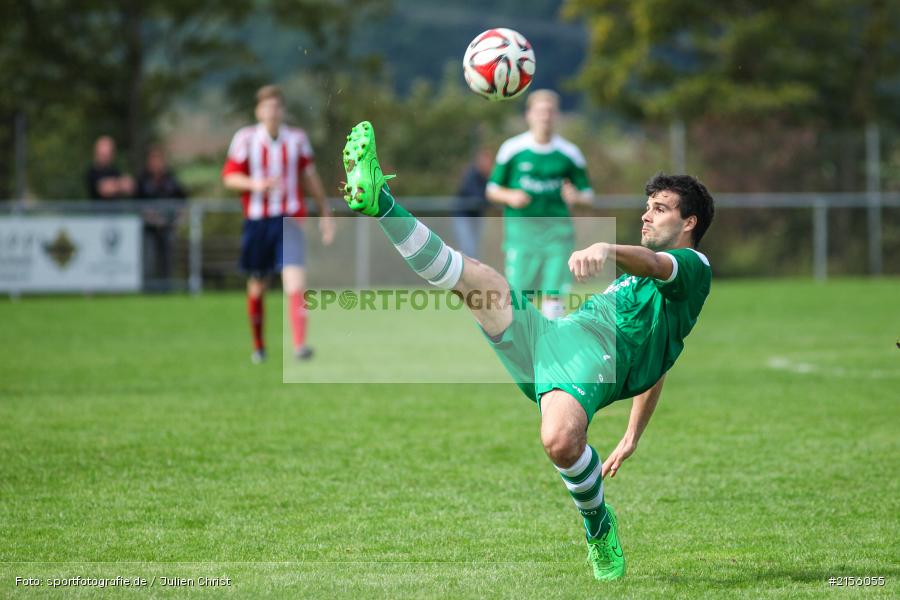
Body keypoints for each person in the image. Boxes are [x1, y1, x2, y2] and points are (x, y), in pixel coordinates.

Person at [340, 120, 714, 581]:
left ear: (689, 222)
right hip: (552, 337)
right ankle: (382, 204)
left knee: (559, 441)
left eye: (660, 209)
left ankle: (598, 527)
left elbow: (658, 271)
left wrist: (604, 246)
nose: (646, 215)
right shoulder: (650, 285)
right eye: (647, 207)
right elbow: (662, 361)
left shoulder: (693, 266)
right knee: (473, 279)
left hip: (595, 357)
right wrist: (634, 433)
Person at [222, 85, 335, 363]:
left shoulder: (296, 139)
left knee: (295, 280)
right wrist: (255, 184)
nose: (272, 112)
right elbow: (229, 178)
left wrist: (325, 211)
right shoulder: (245, 139)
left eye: (276, 107)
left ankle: (300, 345)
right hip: (258, 222)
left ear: (283, 110)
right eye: (267, 107)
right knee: (257, 285)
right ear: (258, 111)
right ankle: (259, 346)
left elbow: (310, 178)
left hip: (290, 219)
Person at [486, 89, 594, 320]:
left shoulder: (569, 153)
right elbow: (492, 189)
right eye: (540, 111)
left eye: (550, 111)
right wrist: (510, 196)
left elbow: (588, 196)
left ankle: (551, 349)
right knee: (519, 299)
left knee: (554, 299)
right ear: (529, 115)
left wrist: (576, 198)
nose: (545, 116)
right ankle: (523, 350)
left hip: (557, 235)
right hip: (521, 235)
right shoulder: (512, 149)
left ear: (557, 116)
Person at [137, 146, 187, 291]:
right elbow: (135, 203)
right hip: (148, 228)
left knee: (168, 260)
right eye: (153, 160)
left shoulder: (170, 179)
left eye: (159, 159)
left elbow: (182, 200)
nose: (156, 163)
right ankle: (148, 289)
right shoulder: (143, 179)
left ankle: (167, 288)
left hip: (167, 227)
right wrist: (150, 216)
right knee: (149, 259)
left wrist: (178, 217)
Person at [452, 149, 493, 259]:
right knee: (468, 250)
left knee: (475, 250)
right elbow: (477, 197)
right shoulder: (471, 175)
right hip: (463, 216)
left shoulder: (487, 177)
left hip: (476, 217)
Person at [86, 136, 135, 200]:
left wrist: (114, 185)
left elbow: (130, 187)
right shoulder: (92, 172)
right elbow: (104, 190)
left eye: (108, 154)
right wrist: (120, 184)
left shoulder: (115, 170)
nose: (106, 157)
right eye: (103, 154)